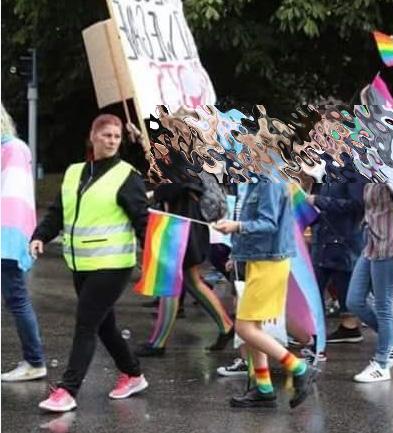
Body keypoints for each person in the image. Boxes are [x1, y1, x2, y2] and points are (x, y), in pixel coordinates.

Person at [33, 114, 149, 412]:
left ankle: (67, 391)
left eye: (116, 137)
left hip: (113, 264)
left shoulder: (127, 176)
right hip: (81, 263)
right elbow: (58, 212)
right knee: (104, 325)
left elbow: (142, 221)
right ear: (93, 136)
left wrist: (151, 258)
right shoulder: (74, 173)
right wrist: (41, 236)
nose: (111, 140)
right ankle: (133, 374)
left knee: (86, 323)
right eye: (107, 135)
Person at [215, 183, 318, 409]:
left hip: (269, 261)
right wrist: (237, 250)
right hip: (260, 258)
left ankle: (299, 369)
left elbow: (268, 223)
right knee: (254, 327)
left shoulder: (268, 179)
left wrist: (236, 226)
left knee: (245, 328)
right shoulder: (256, 178)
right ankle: (263, 388)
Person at [136, 183, 234, 357]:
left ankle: (158, 344)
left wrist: (153, 193)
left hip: (180, 225)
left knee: (170, 281)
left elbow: (180, 186)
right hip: (188, 224)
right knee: (191, 281)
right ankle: (226, 327)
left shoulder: (176, 159)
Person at [347, 184, 393, 383]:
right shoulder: (370, 169)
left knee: (384, 305)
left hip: (392, 243)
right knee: (354, 301)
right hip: (372, 243)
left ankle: (381, 364)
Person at [1, 103, 47, 382]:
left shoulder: (12, 149)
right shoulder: (12, 149)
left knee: (17, 299)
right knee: (16, 298)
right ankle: (34, 359)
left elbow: (12, 199)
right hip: (9, 235)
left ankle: (34, 360)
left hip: (7, 237)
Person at [308, 180, 365, 343]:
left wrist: (319, 201)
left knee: (342, 279)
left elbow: (357, 204)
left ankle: (349, 326)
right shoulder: (329, 169)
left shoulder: (353, 170)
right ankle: (314, 329)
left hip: (343, 237)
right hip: (326, 236)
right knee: (317, 282)